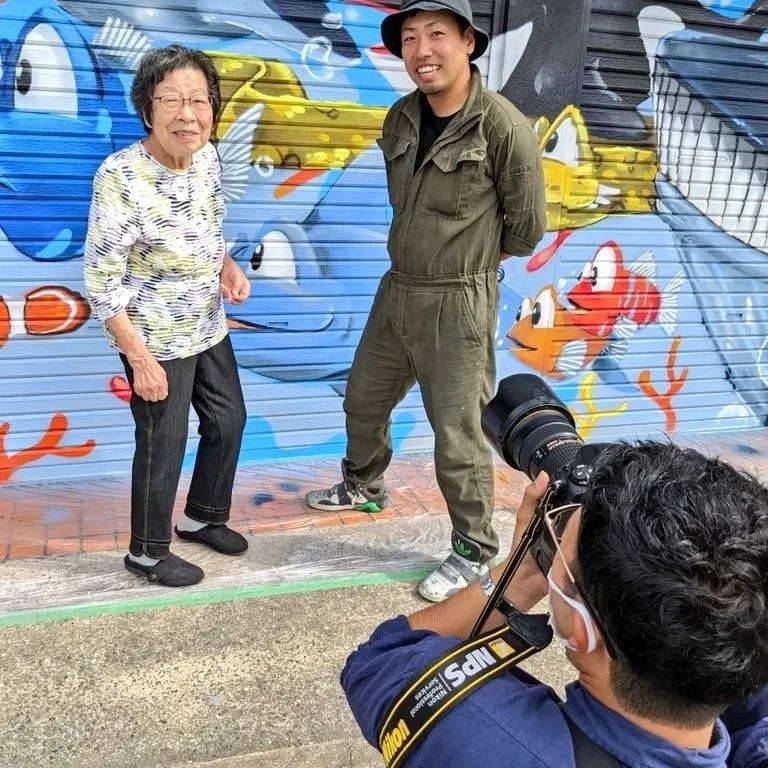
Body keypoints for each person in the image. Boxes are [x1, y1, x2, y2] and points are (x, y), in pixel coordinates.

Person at [305, 0, 547, 603]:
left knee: (457, 434)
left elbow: (527, 228)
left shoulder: (504, 127)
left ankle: (473, 550)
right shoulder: (400, 118)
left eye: (436, 35)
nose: (422, 51)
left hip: (459, 300)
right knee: (362, 397)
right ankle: (363, 484)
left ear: (467, 41)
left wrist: (471, 262)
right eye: (410, 38)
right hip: (399, 288)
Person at [341, 440, 768, 766]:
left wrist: (520, 575)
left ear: (580, 628)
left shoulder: (490, 739)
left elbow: (381, 661)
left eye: (562, 543)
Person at [84, 45, 251, 588]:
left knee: (228, 420)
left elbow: (209, 225)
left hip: (206, 322)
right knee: (164, 443)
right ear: (148, 107)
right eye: (172, 100)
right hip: (154, 337)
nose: (188, 114)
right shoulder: (121, 177)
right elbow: (101, 283)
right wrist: (139, 357)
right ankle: (148, 552)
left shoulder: (208, 157)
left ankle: (201, 515)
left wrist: (225, 265)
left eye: (199, 101)